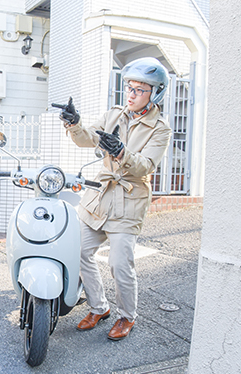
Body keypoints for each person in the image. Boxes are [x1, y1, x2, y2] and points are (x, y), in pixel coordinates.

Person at [56, 57, 171, 341]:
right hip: (99, 196)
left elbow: (145, 166)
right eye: (129, 88)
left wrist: (121, 152)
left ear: (154, 93)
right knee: (79, 251)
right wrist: (74, 123)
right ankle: (98, 307)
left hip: (129, 200)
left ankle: (126, 316)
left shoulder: (161, 129)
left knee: (120, 263)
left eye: (139, 90)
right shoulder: (114, 114)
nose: (131, 94)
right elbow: (87, 139)